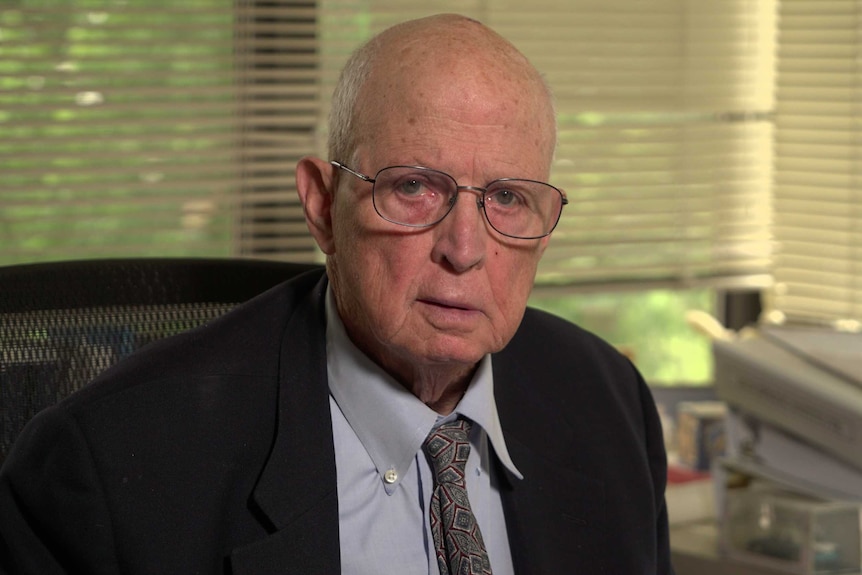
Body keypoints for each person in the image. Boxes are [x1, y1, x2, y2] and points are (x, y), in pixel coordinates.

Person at [0, 13, 674, 575]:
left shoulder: (609, 404)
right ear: (322, 205)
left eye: (507, 198)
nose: (464, 249)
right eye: (414, 187)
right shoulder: (109, 465)